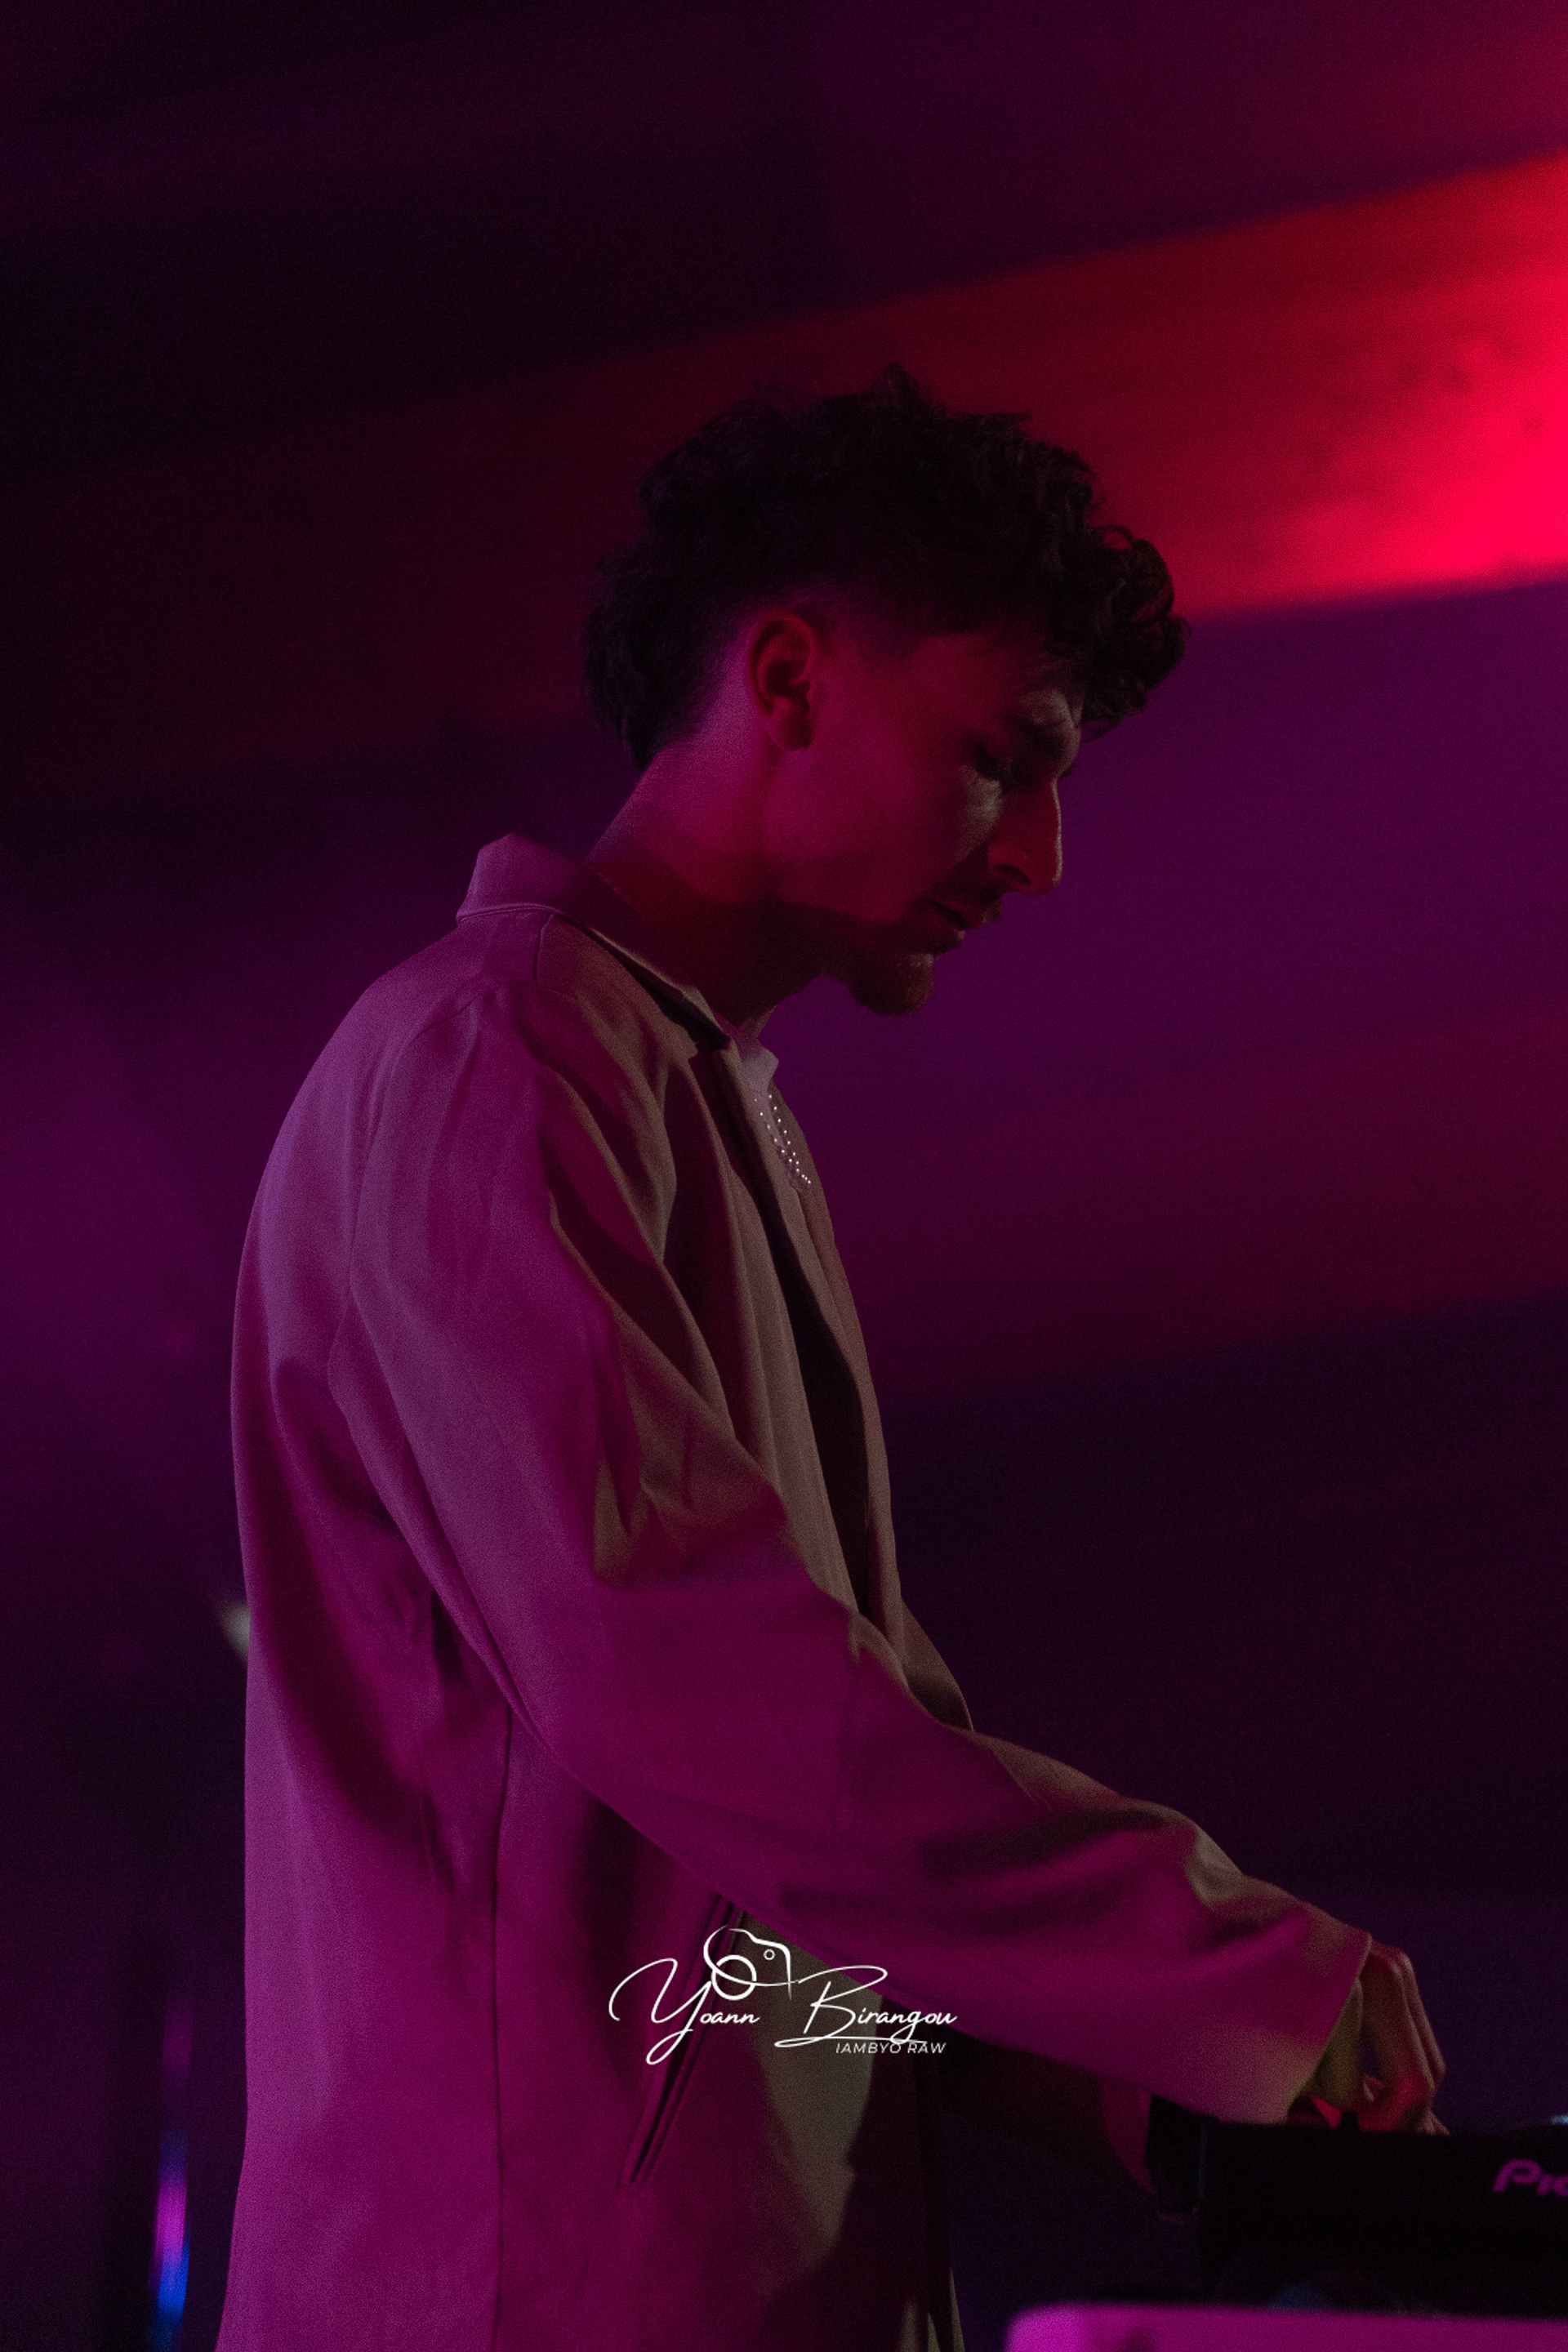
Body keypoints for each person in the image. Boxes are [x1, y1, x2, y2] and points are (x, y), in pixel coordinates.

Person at [218, 368, 1442, 2352]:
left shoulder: (694, 1104)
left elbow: (760, 1903)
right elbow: (699, 1704)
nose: (1042, 855)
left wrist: (1160, 2084)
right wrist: (1228, 1972)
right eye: (1002, 755)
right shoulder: (493, 1056)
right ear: (786, 677)